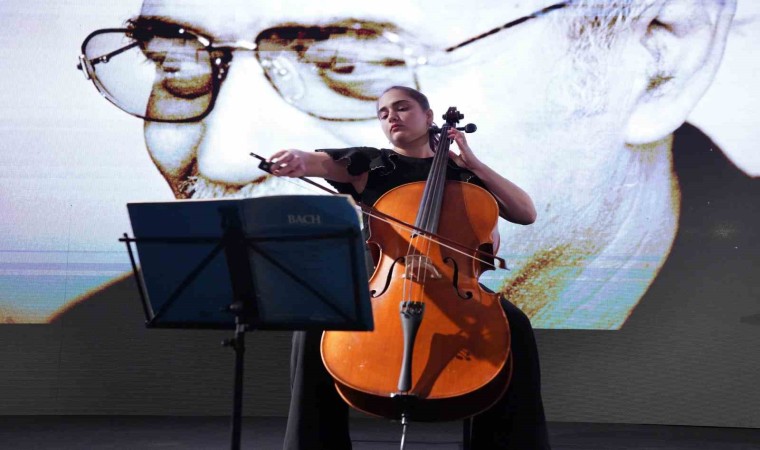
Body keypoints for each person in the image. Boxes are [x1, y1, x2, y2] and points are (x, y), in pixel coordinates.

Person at [68, 0, 743, 330]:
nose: (219, 153)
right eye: (177, 65)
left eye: (348, 66)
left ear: (660, 61)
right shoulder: (88, 334)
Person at [267, 85, 545, 449]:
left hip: (454, 286)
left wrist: (473, 163)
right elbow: (318, 162)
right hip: (386, 284)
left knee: (517, 327)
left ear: (429, 118)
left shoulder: (465, 176)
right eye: (383, 113)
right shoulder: (372, 164)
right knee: (311, 326)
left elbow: (525, 213)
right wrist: (297, 158)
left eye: (402, 108)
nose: (391, 116)